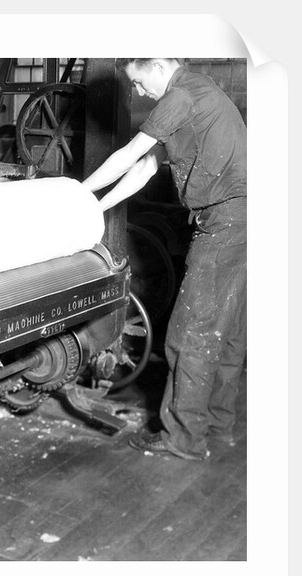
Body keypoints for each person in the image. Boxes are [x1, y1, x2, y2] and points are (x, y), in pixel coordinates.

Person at [82, 58, 247, 460]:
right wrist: (96, 206)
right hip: (247, 219)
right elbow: (144, 167)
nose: (139, 92)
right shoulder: (200, 90)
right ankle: (218, 423)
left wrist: (75, 194)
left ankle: (183, 438)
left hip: (227, 222)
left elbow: (128, 155)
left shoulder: (179, 96)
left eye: (139, 82)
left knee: (190, 334)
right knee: (226, 330)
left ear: (157, 66)